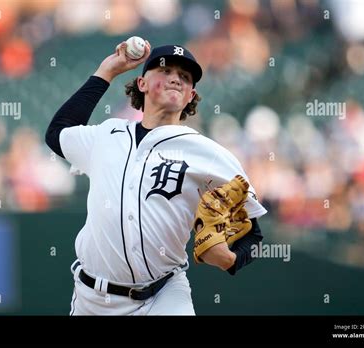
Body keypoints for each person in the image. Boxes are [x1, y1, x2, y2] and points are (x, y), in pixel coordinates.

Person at [45, 41, 267, 315]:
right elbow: (57, 133)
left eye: (185, 77)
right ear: (142, 83)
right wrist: (107, 71)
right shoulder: (107, 134)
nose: (175, 78)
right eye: (165, 70)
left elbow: (253, 231)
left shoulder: (208, 154)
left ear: (190, 96)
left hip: (162, 296)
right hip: (91, 299)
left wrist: (231, 259)